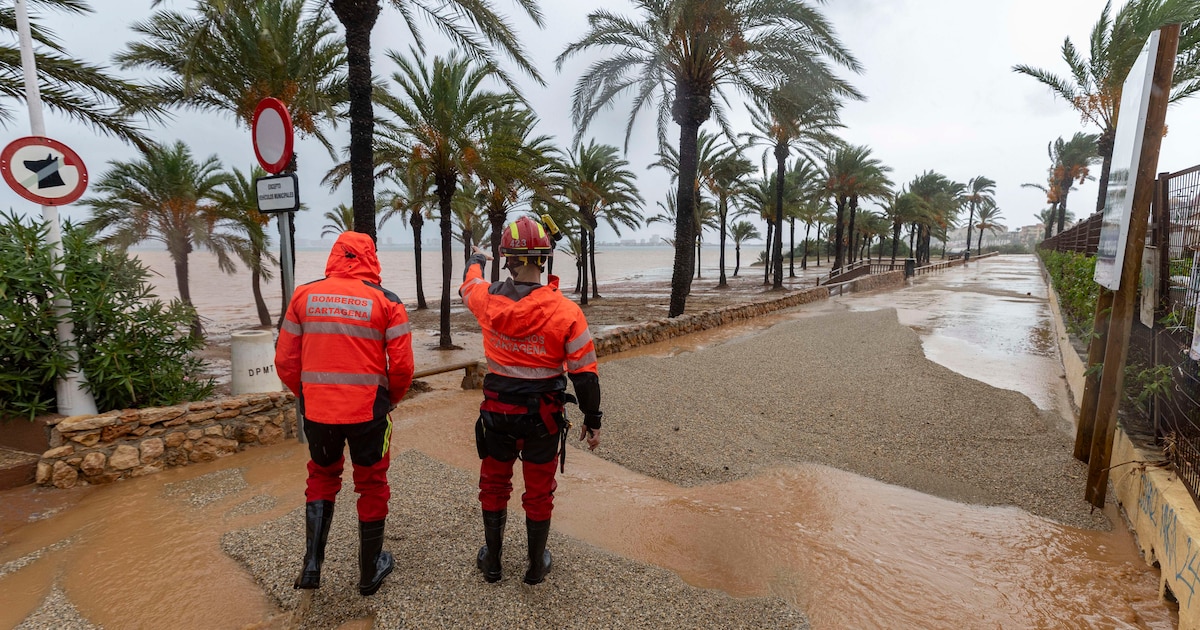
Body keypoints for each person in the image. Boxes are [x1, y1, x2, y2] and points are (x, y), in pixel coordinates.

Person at [459, 215, 604, 586]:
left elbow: (469, 284)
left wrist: (476, 258)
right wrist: (593, 418)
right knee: (539, 491)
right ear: (545, 258)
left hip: (497, 416)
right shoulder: (566, 312)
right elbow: (584, 373)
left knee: (493, 484)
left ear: (506, 258)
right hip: (543, 419)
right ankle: (536, 566)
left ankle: (493, 562)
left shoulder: (487, 300)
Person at [274, 230, 414, 597]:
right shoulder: (387, 302)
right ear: (371, 257)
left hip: (318, 412)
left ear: (336, 254)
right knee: (371, 484)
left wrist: (308, 395)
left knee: (322, 477)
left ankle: (312, 566)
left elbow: (285, 361)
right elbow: (401, 368)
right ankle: (369, 573)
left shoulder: (303, 296)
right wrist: (392, 399)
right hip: (369, 413)